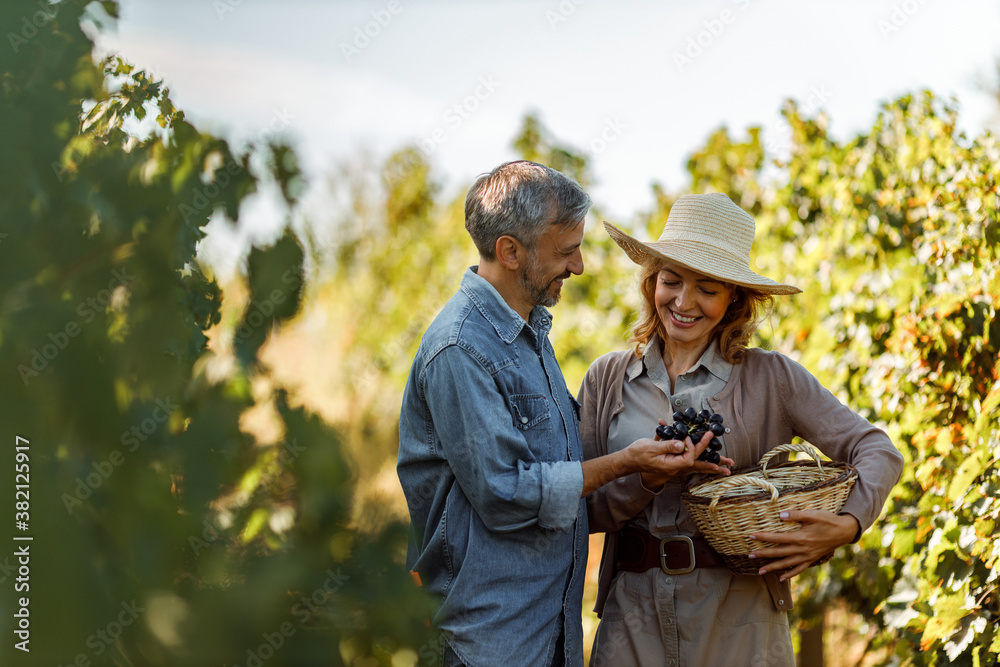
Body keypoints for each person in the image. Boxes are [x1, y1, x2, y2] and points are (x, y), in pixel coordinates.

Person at [397, 162, 730, 667]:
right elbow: (504, 492)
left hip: (544, 633)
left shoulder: (528, 335)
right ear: (510, 251)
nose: (578, 266)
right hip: (486, 643)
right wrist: (627, 463)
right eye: (566, 250)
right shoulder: (461, 349)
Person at [579, 192, 905, 666]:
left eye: (707, 289)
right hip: (632, 620)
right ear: (652, 282)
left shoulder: (772, 378)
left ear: (735, 298)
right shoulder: (607, 378)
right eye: (670, 281)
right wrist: (646, 479)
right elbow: (583, 510)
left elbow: (876, 449)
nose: (684, 302)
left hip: (739, 619)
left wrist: (846, 525)